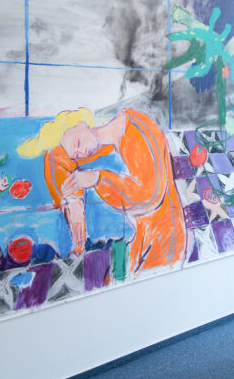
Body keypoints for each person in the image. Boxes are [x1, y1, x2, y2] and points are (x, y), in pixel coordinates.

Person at [17, 108, 187, 276]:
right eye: (76, 155)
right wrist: (73, 202)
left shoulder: (134, 129)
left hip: (165, 241)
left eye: (77, 143)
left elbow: (148, 197)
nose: (81, 153)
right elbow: (59, 158)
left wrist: (98, 179)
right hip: (143, 238)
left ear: (82, 123)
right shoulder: (102, 140)